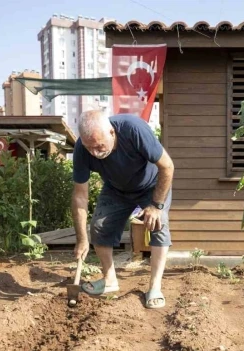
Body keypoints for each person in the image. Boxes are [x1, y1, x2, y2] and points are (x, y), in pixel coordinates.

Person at [70, 110, 174, 309]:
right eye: (89, 147)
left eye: (99, 146)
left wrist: (156, 206)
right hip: (116, 188)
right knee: (99, 226)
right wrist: (82, 239)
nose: (95, 153)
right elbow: (80, 195)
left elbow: (167, 167)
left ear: (111, 132)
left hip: (151, 186)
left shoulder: (133, 129)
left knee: (158, 225)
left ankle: (154, 287)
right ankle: (109, 280)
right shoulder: (82, 149)